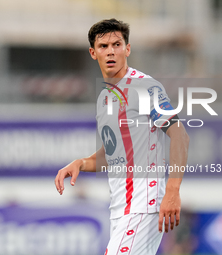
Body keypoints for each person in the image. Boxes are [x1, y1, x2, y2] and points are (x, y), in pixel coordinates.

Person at [55, 19, 189, 255]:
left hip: (143, 205)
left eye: (117, 44)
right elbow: (114, 154)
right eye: (103, 46)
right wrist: (82, 163)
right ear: (92, 53)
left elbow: (179, 135)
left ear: (127, 49)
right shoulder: (104, 99)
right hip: (120, 210)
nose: (111, 51)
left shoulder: (145, 87)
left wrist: (172, 191)